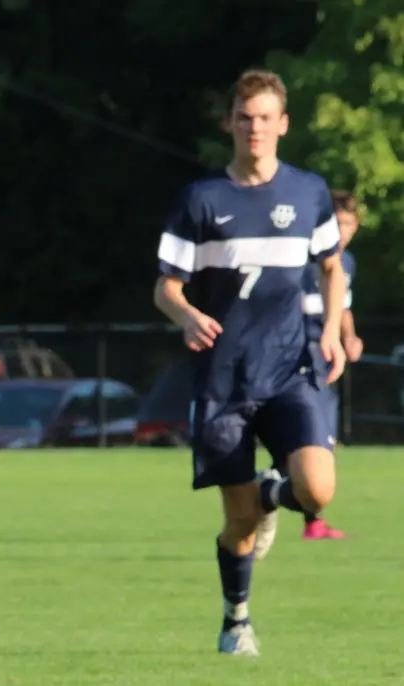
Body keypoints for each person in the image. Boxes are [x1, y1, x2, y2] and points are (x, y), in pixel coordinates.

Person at [153, 69, 346, 656]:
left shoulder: (308, 192)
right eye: (245, 117)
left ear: (282, 124)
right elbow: (165, 287)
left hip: (291, 370)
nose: (254, 127)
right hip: (223, 380)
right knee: (239, 523)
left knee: (318, 489)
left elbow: (332, 266)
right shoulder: (202, 200)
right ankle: (236, 619)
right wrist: (185, 314)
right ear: (230, 124)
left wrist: (332, 330)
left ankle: (274, 492)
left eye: (265, 117)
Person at [293, 189, 363, 542]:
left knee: (324, 438)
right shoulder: (303, 257)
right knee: (310, 436)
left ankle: (310, 518)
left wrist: (348, 336)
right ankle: (280, 500)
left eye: (349, 224)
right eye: (337, 223)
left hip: (325, 355)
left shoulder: (345, 263)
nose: (343, 230)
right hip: (298, 351)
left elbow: (342, 306)